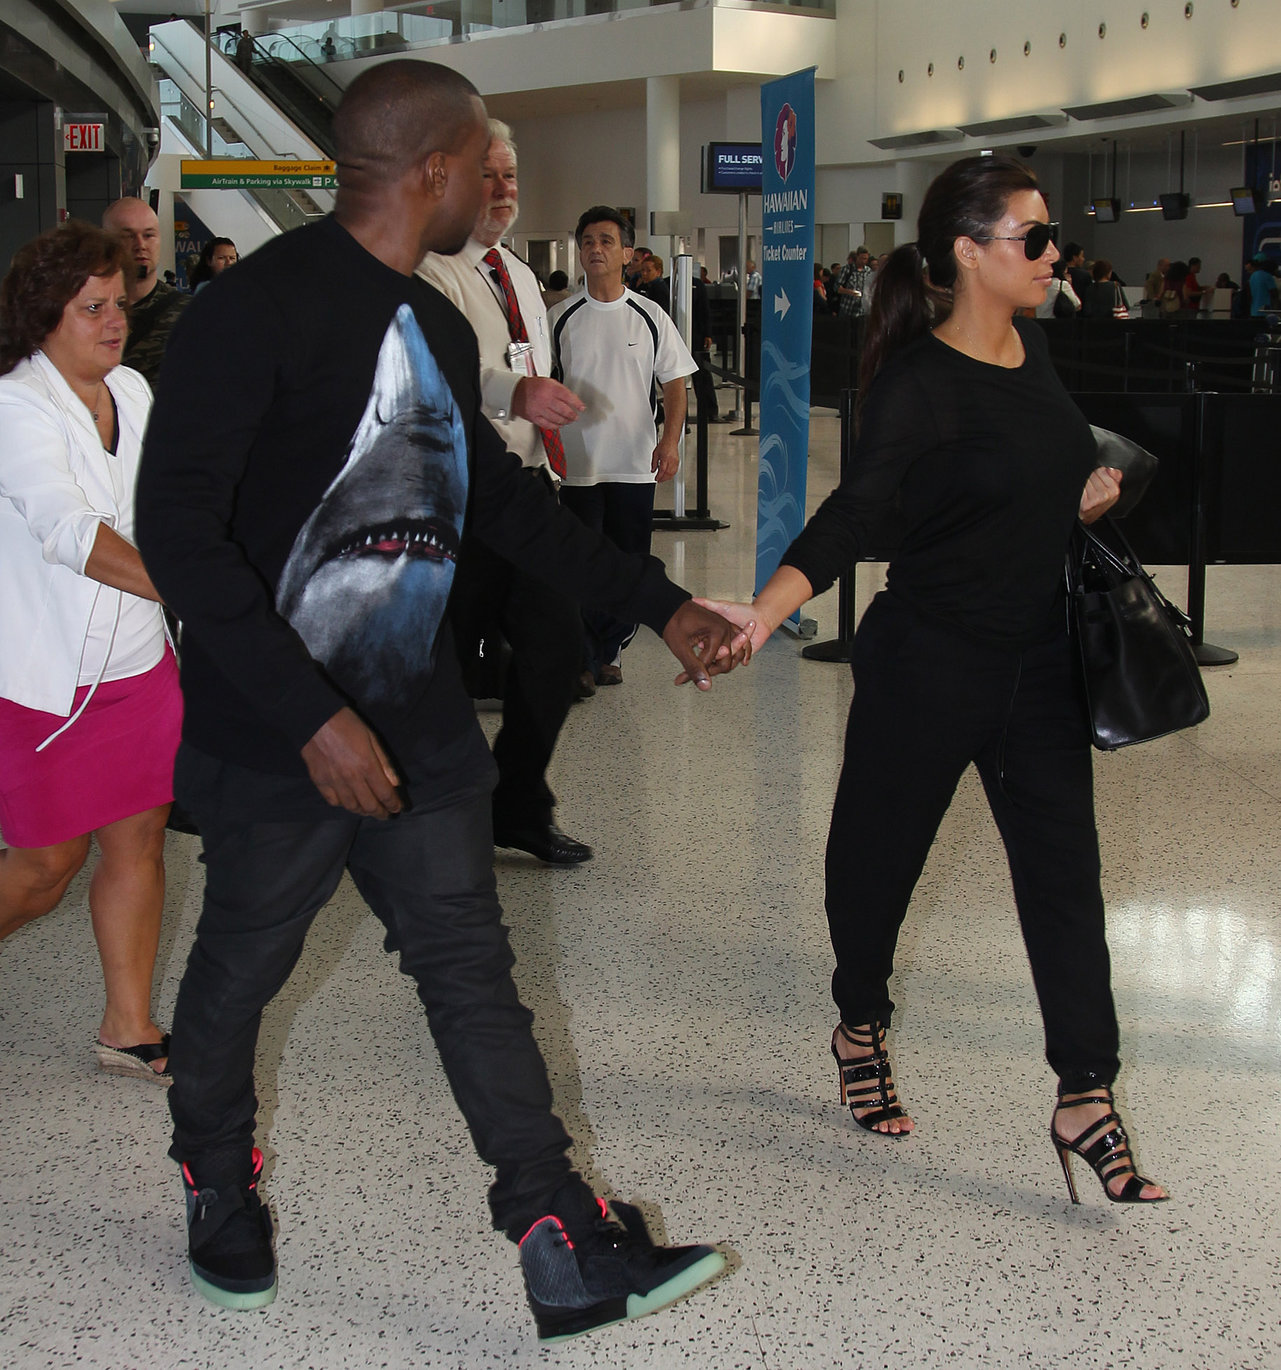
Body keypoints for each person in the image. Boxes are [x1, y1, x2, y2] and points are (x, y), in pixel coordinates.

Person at [134, 60, 742, 1336]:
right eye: (484, 165)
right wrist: (310, 715)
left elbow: (500, 501)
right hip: (277, 730)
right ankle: (216, 1174)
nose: (497, 188)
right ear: (433, 169)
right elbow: (179, 532)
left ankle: (557, 1235)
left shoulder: (435, 320)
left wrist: (656, 599)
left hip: (415, 721)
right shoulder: (250, 312)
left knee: (470, 966)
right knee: (241, 966)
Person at [700, 154, 1168, 1206]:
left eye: (1051, 237)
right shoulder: (917, 382)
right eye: (1032, 238)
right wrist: (766, 610)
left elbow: (1006, 485)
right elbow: (858, 513)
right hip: (928, 663)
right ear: (968, 251)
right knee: (875, 871)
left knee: (1064, 880)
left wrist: (1078, 502)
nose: (1053, 255)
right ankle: (858, 1022)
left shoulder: (1034, 350)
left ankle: (1084, 1091)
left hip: (1037, 666)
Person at [0, 222, 181, 1083]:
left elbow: (171, 498)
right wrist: (190, 590)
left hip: (139, 666)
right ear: (45, 315)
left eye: (118, 304)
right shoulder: (15, 406)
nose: (114, 322)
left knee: (138, 839)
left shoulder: (132, 390)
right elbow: (71, 532)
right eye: (92, 308)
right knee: (46, 867)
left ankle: (127, 1024)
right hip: (47, 677)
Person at [420, 119, 594, 866]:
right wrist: (514, 393)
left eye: (509, 175)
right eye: (486, 175)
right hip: (457, 499)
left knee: (558, 647)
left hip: (526, 493)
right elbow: (441, 374)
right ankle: (433, 814)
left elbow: (530, 368)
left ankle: (516, 803)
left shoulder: (520, 275)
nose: (501, 189)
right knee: (443, 664)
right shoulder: (430, 271)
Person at [548, 207, 698, 687]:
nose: (596, 248)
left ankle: (610, 651)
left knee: (627, 562)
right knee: (581, 562)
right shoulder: (560, 317)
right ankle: (585, 657)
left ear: (627, 254)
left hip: (634, 463)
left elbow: (675, 385)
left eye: (606, 241)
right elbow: (542, 383)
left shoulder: (650, 316)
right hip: (577, 465)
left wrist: (669, 442)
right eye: (588, 241)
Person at [102, 197, 189, 386]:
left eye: (149, 235)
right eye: (127, 236)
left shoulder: (189, 314)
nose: (140, 245)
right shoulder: (86, 312)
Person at [836, 246, 872, 319]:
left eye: (865, 259)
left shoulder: (868, 271)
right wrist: (851, 292)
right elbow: (837, 288)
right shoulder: (847, 269)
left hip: (861, 311)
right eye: (861, 258)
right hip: (847, 309)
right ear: (857, 257)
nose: (863, 261)